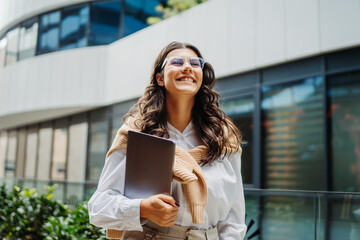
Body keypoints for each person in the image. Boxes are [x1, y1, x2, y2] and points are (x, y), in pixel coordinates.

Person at [88, 41, 247, 239]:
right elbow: (98, 207)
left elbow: (234, 217)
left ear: (201, 77)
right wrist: (142, 208)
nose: (187, 67)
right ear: (160, 78)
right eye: (177, 62)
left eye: (196, 63)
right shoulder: (137, 134)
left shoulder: (223, 137)